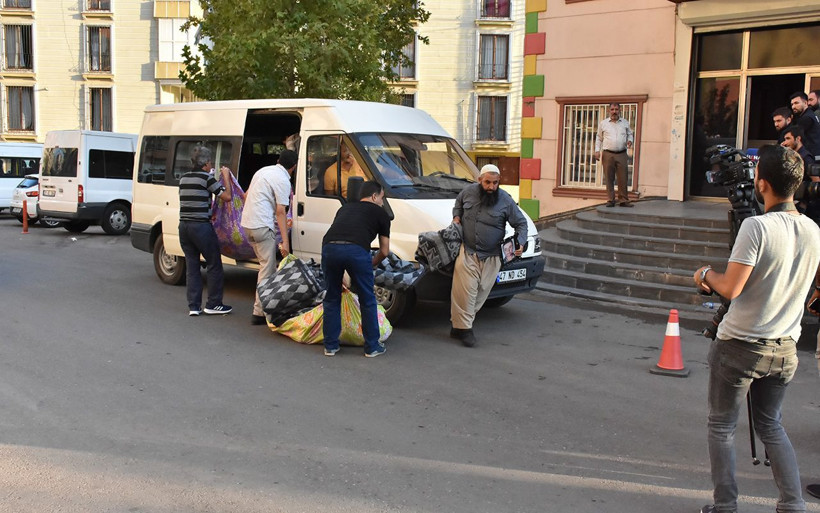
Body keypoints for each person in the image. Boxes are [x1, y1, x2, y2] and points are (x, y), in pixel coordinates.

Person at [693, 144, 820, 513]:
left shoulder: (756, 227)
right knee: (771, 426)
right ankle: (792, 504)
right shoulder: (813, 229)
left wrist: (703, 275)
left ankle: (726, 506)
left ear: (761, 183)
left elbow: (731, 287)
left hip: (739, 347)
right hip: (785, 350)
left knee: (721, 427)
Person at [450, 164, 528, 347]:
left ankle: (458, 326)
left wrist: (521, 242)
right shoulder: (467, 192)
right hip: (469, 250)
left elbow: (521, 224)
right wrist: (456, 217)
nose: (491, 187)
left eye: (495, 183)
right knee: (466, 291)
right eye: (487, 182)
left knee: (481, 293)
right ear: (480, 180)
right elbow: (458, 204)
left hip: (493, 256)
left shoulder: (506, 201)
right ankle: (466, 330)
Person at [321, 180, 391, 358]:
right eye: (382, 198)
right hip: (356, 251)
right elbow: (384, 251)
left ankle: (330, 345)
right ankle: (372, 346)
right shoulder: (381, 214)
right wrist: (371, 264)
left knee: (331, 297)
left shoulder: (345, 208)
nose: (382, 202)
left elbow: (340, 233)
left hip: (329, 247)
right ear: (374, 196)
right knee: (367, 299)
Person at [241, 149, 298, 325]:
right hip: (262, 226)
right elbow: (281, 211)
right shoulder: (283, 180)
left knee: (263, 265)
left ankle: (261, 310)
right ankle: (259, 313)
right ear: (294, 167)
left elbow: (245, 195)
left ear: (278, 160)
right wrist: (285, 242)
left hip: (247, 224)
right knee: (268, 269)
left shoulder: (263, 171)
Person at [178, 145, 233, 316]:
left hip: (184, 227)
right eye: (210, 163)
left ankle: (194, 306)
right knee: (214, 264)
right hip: (201, 226)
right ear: (206, 163)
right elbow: (227, 197)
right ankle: (214, 303)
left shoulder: (184, 178)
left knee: (192, 266)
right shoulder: (206, 178)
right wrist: (225, 177)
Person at [594, 103, 634, 207]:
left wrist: (630, 141)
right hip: (608, 154)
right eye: (612, 109)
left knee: (623, 177)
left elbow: (630, 134)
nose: (614, 111)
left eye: (616, 109)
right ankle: (610, 199)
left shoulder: (625, 123)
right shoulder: (603, 123)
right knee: (609, 177)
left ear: (620, 110)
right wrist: (597, 150)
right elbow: (599, 138)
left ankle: (623, 200)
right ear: (609, 110)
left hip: (621, 154)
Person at [789, 91, 820, 156]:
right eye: (792, 104)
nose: (793, 107)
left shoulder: (807, 118)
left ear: (805, 103)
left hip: (811, 156)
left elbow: (795, 136)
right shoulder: (809, 114)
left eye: (796, 103)